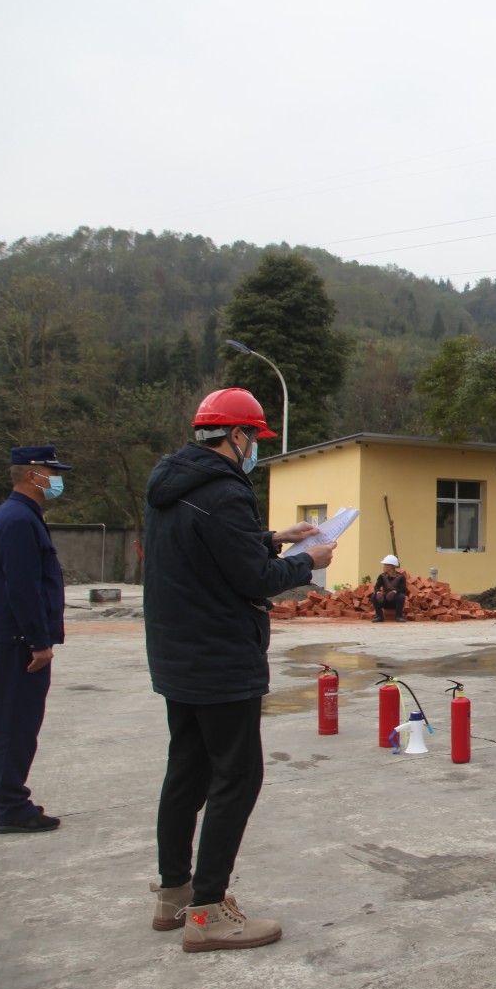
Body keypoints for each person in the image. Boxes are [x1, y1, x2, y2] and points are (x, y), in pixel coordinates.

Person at [144, 388, 335, 951]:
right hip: (220, 655)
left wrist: (275, 538)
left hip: (178, 652)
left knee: (187, 771)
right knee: (238, 776)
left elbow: (212, 550)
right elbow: (253, 578)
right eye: (253, 437)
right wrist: (306, 562)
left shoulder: (173, 483)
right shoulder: (225, 491)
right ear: (235, 435)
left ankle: (174, 893)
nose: (254, 448)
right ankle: (208, 912)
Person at [0, 445, 72, 835]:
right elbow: (23, 588)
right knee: (15, 724)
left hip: (10, 637)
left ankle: (2, 800)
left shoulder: (19, 515)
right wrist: (38, 641)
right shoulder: (19, 519)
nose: (57, 480)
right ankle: (10, 806)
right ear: (33, 475)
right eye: (53, 473)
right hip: (18, 641)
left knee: (7, 721)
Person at [370, 555, 408, 622]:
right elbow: (377, 586)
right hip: (384, 600)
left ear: (391, 566)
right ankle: (379, 616)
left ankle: (399, 616)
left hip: (395, 601)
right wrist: (378, 592)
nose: (383, 566)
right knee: (373, 596)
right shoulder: (382, 576)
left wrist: (394, 592)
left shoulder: (401, 577)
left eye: (385, 565)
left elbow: (403, 589)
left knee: (401, 596)